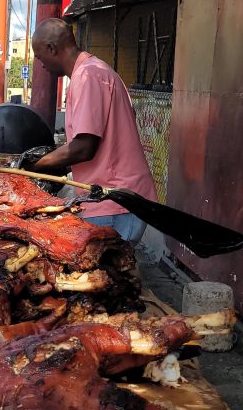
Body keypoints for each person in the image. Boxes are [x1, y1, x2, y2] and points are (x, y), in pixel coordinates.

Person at [30, 18, 157, 244]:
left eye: (39, 57)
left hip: (115, 202)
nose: (41, 65)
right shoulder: (92, 71)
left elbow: (84, 147)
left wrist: (35, 165)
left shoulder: (88, 76)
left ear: (52, 48)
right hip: (114, 200)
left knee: (99, 274)